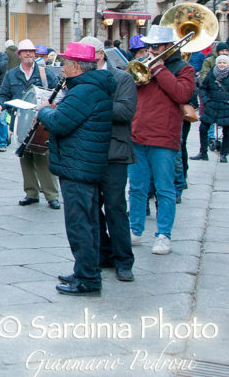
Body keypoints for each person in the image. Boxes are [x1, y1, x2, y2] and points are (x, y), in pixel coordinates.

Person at [36, 43, 115, 296]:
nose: (63, 67)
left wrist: (44, 110)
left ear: (77, 67)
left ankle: (88, 279)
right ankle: (84, 269)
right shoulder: (92, 88)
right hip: (85, 163)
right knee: (88, 222)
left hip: (78, 165)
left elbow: (60, 123)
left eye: (66, 63)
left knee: (80, 224)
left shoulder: (83, 91)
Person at [129, 25, 194, 255]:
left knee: (165, 189)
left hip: (164, 137)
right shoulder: (143, 66)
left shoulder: (184, 68)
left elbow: (182, 95)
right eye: (149, 46)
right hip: (138, 134)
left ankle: (163, 235)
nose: (151, 50)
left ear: (168, 47)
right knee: (136, 187)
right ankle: (134, 230)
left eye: (155, 46)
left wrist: (159, 71)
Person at [76, 39, 137, 283]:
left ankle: (124, 260)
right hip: (88, 151)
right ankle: (103, 254)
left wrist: (92, 104)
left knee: (115, 208)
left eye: (86, 56)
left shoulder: (122, 78)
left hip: (114, 152)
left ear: (100, 55)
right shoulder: (79, 78)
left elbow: (124, 112)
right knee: (90, 209)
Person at [0, 39, 61, 208]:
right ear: (20, 54)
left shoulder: (45, 73)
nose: (29, 54)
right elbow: (3, 94)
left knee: (43, 156)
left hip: (41, 121)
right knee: (25, 157)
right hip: (20, 120)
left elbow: (58, 92)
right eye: (25, 51)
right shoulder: (11, 74)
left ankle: (51, 195)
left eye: (31, 51)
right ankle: (31, 193)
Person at [197, 54, 229, 162]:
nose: (222, 64)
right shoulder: (211, 74)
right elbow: (203, 88)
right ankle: (203, 153)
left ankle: (224, 154)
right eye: (220, 62)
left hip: (225, 108)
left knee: (227, 132)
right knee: (203, 129)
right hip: (211, 106)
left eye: (224, 63)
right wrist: (206, 101)